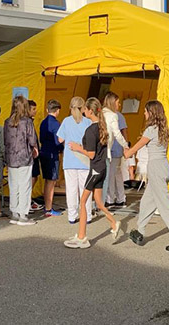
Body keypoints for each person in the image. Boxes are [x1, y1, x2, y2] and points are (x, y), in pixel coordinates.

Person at [124, 100, 169, 253]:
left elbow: (137, 147)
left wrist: (127, 152)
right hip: (164, 166)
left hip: (156, 168)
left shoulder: (150, 130)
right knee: (147, 201)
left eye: (145, 111)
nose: (144, 114)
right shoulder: (164, 129)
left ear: (151, 113)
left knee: (163, 204)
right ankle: (139, 231)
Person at [64, 98, 119, 248]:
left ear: (89, 111)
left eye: (85, 109)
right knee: (98, 202)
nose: (83, 111)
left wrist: (77, 148)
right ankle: (113, 223)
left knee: (82, 201)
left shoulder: (90, 130)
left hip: (95, 169)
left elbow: (91, 154)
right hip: (102, 168)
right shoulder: (102, 126)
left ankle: (82, 237)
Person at [57, 97, 93, 225]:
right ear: (83, 108)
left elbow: (60, 139)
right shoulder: (88, 122)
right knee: (85, 190)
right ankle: (87, 215)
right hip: (84, 159)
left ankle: (72, 216)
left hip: (70, 160)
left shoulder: (66, 121)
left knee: (71, 190)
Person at [4, 95, 38, 226]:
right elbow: (32, 139)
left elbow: (5, 141)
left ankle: (14, 213)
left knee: (14, 185)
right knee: (25, 186)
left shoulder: (7, 122)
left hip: (11, 157)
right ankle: (23, 215)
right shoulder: (27, 121)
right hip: (24, 157)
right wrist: (34, 148)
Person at [103, 92, 129, 208]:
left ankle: (110, 198)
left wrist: (125, 146)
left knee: (111, 174)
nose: (119, 105)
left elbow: (122, 131)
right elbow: (123, 132)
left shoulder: (110, 115)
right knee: (116, 173)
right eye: (118, 102)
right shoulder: (115, 115)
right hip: (115, 147)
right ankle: (120, 198)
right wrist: (126, 145)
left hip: (113, 148)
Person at [38, 99, 64, 217]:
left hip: (44, 152)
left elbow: (41, 139)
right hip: (52, 154)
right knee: (51, 182)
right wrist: (61, 148)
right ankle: (48, 208)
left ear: (47, 109)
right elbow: (58, 141)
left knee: (47, 180)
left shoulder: (43, 122)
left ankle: (47, 205)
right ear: (57, 110)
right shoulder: (56, 124)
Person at [27, 100, 43, 212]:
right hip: (30, 155)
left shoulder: (30, 121)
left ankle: (28, 199)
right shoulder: (26, 122)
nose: (35, 111)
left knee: (34, 176)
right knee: (32, 177)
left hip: (34, 154)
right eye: (33, 109)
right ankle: (27, 200)